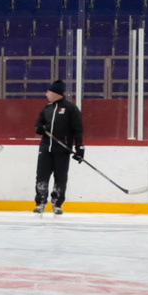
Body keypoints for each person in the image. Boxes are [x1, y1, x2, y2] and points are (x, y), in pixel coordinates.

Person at [33, 80, 83, 215]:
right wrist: (40, 128)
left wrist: (80, 149)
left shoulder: (71, 109)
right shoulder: (46, 108)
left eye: (48, 92)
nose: (46, 94)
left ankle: (57, 203)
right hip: (45, 149)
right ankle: (40, 202)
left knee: (60, 177)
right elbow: (38, 126)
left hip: (62, 150)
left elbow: (78, 130)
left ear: (56, 93)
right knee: (41, 176)